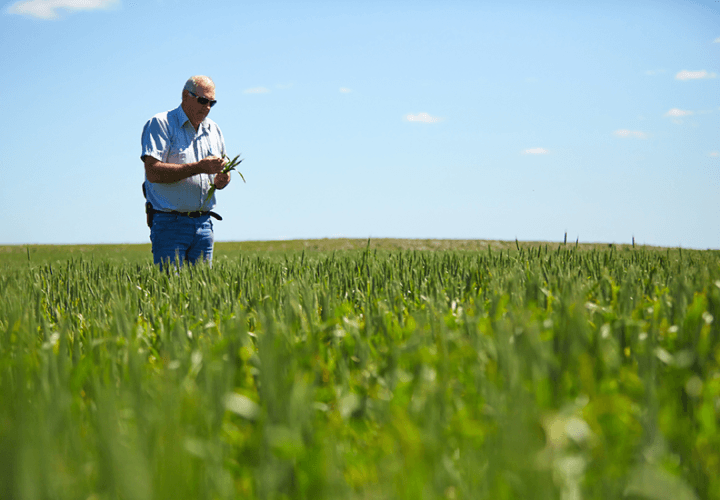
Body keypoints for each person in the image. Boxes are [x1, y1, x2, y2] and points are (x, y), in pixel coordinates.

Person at [141, 75, 231, 268]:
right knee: (170, 291)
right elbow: (153, 172)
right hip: (169, 223)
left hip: (204, 224)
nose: (206, 107)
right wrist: (198, 167)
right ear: (185, 96)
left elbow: (221, 171)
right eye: (202, 100)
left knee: (201, 294)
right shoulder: (161, 123)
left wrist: (223, 179)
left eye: (211, 103)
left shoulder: (214, 129)